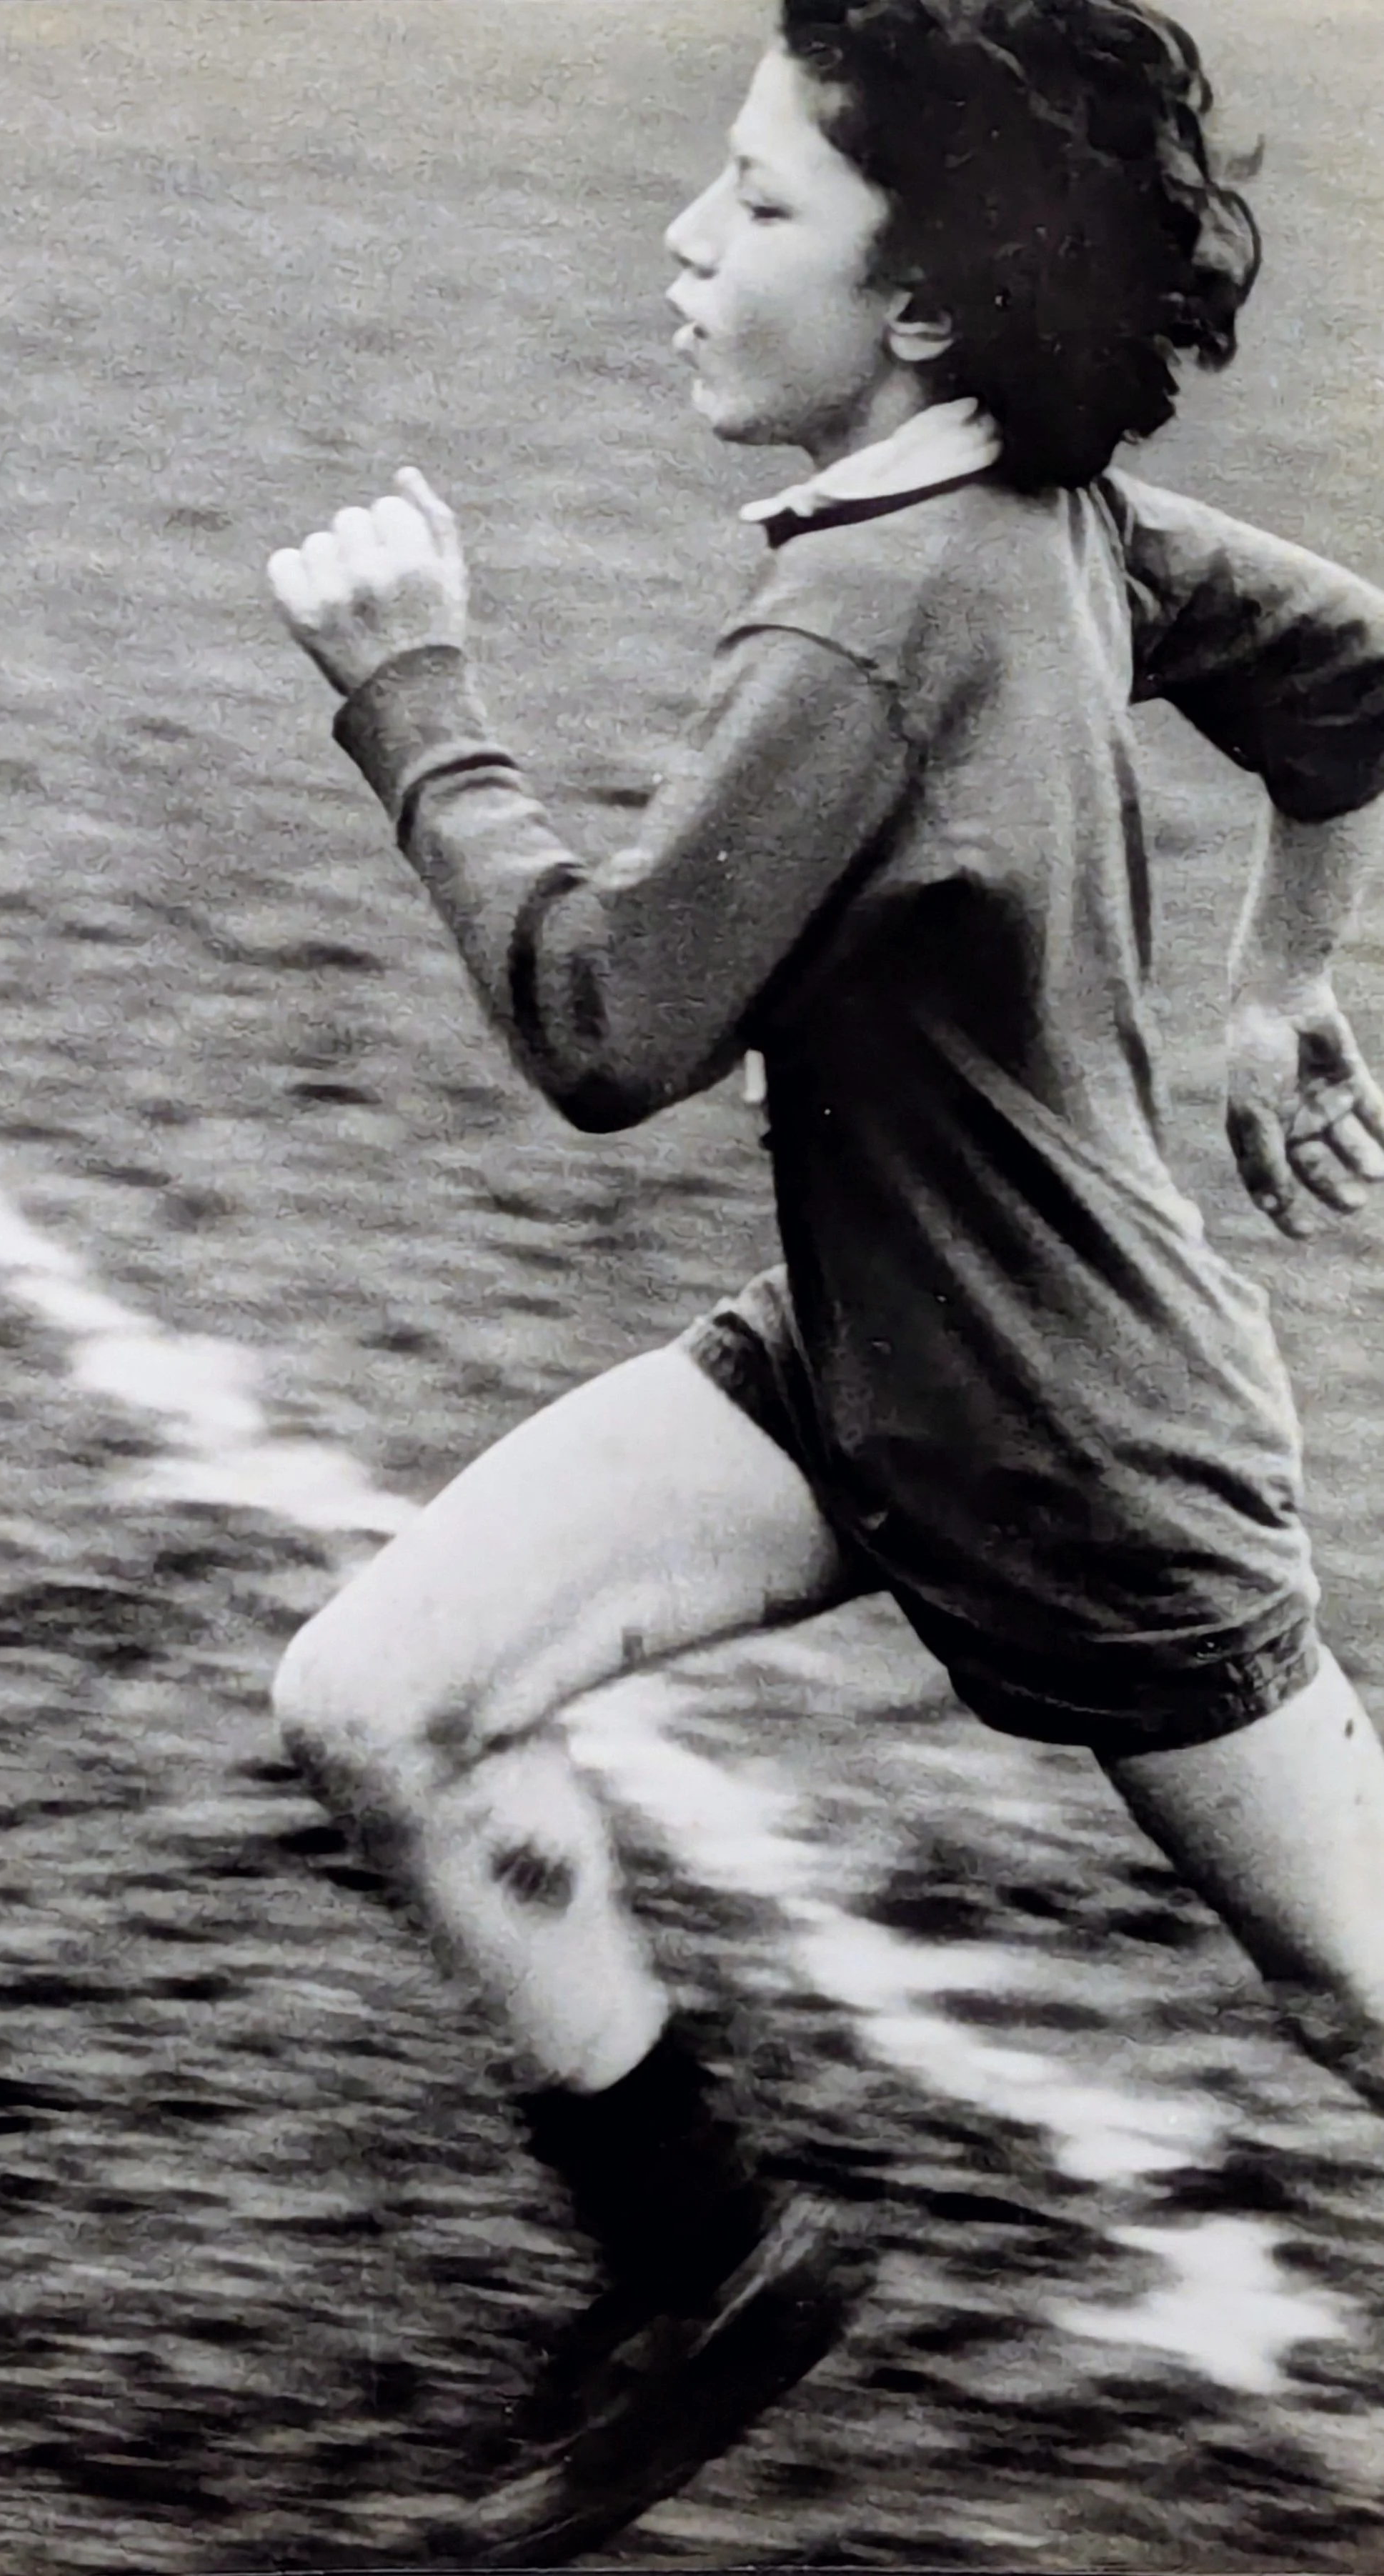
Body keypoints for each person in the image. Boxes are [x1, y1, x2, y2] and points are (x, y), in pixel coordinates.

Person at [267, 0, 1384, 2558]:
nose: (685, 236)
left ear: (919, 306)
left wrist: (414, 703)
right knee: (380, 1695)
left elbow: (606, 1022)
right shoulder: (1037, 508)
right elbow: (1349, 685)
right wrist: (1278, 978)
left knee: (1354, 1990)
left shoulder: (871, 620)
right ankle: (706, 2264)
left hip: (1081, 1440)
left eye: (760, 203)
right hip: (874, 1355)